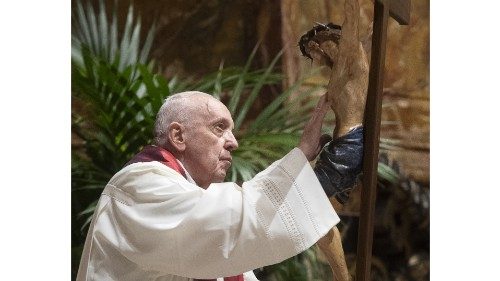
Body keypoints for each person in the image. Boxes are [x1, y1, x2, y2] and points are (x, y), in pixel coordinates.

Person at [76, 89, 363, 281]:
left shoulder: (195, 201)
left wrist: (303, 161)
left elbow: (232, 234)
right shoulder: (136, 187)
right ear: (178, 136)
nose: (233, 142)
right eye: (219, 127)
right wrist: (324, 178)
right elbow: (232, 221)